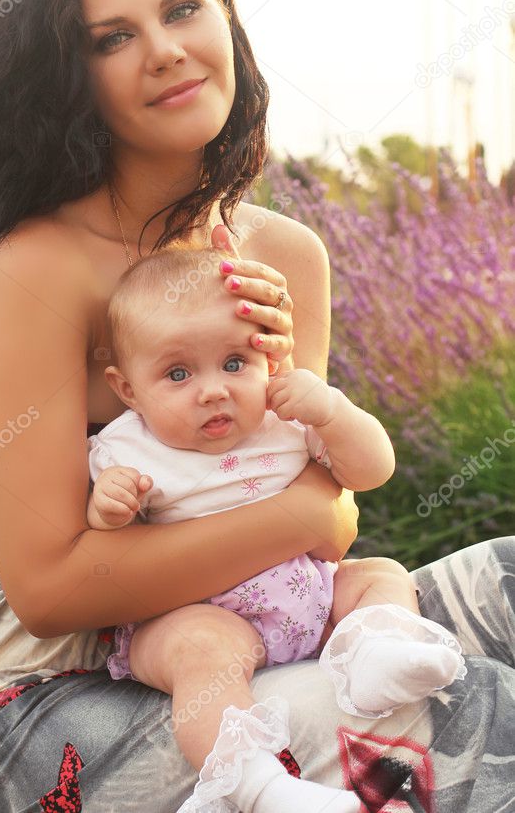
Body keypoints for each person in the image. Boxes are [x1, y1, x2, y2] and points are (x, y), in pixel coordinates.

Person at [0, 0, 515, 812]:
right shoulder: (39, 265)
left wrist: (320, 519)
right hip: (67, 689)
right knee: (457, 710)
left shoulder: (283, 255)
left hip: (280, 624)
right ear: (66, 79)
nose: (166, 51)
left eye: (184, 8)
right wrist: (310, 522)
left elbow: (329, 503)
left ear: (224, 15)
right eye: (112, 38)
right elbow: (52, 590)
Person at [85, 245, 466, 813]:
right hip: (197, 614)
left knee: (379, 573)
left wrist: (333, 413)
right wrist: (107, 506)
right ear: (128, 389)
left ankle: (377, 653)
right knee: (203, 652)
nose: (213, 390)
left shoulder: (284, 420)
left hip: (307, 598)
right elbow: (106, 549)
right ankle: (260, 786)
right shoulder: (126, 446)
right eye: (178, 373)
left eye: (234, 363)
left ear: (266, 359)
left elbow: (372, 469)